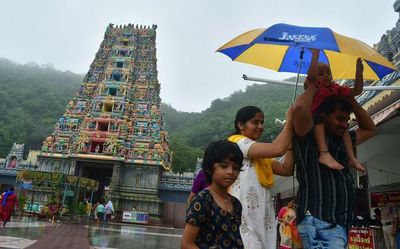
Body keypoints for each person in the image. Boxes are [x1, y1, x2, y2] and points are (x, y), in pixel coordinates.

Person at [292, 67, 376, 247]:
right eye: (339, 119)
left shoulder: (343, 140)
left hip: (339, 223)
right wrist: (313, 86)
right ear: (323, 116)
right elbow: (299, 108)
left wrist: (350, 100)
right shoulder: (308, 137)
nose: (344, 125)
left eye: (347, 120)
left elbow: (370, 129)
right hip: (319, 220)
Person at [227, 105, 295, 249]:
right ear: (240, 125)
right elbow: (277, 149)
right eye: (255, 122)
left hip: (262, 215)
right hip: (244, 214)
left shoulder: (261, 156)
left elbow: (286, 169)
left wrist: (290, 142)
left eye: (262, 122)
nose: (260, 126)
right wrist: (290, 121)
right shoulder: (237, 142)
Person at [305, 48, 365, 172]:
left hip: (331, 120)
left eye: (328, 72)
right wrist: (315, 55)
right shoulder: (314, 87)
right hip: (317, 118)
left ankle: (352, 158)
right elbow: (311, 78)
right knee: (319, 121)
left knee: (346, 130)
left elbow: (357, 91)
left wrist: (359, 72)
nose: (326, 75)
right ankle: (324, 153)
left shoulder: (336, 88)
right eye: (320, 73)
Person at [182, 140, 244, 249]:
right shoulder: (202, 200)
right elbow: (186, 244)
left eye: (235, 168)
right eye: (224, 166)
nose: (230, 172)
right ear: (209, 168)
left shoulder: (236, 204)